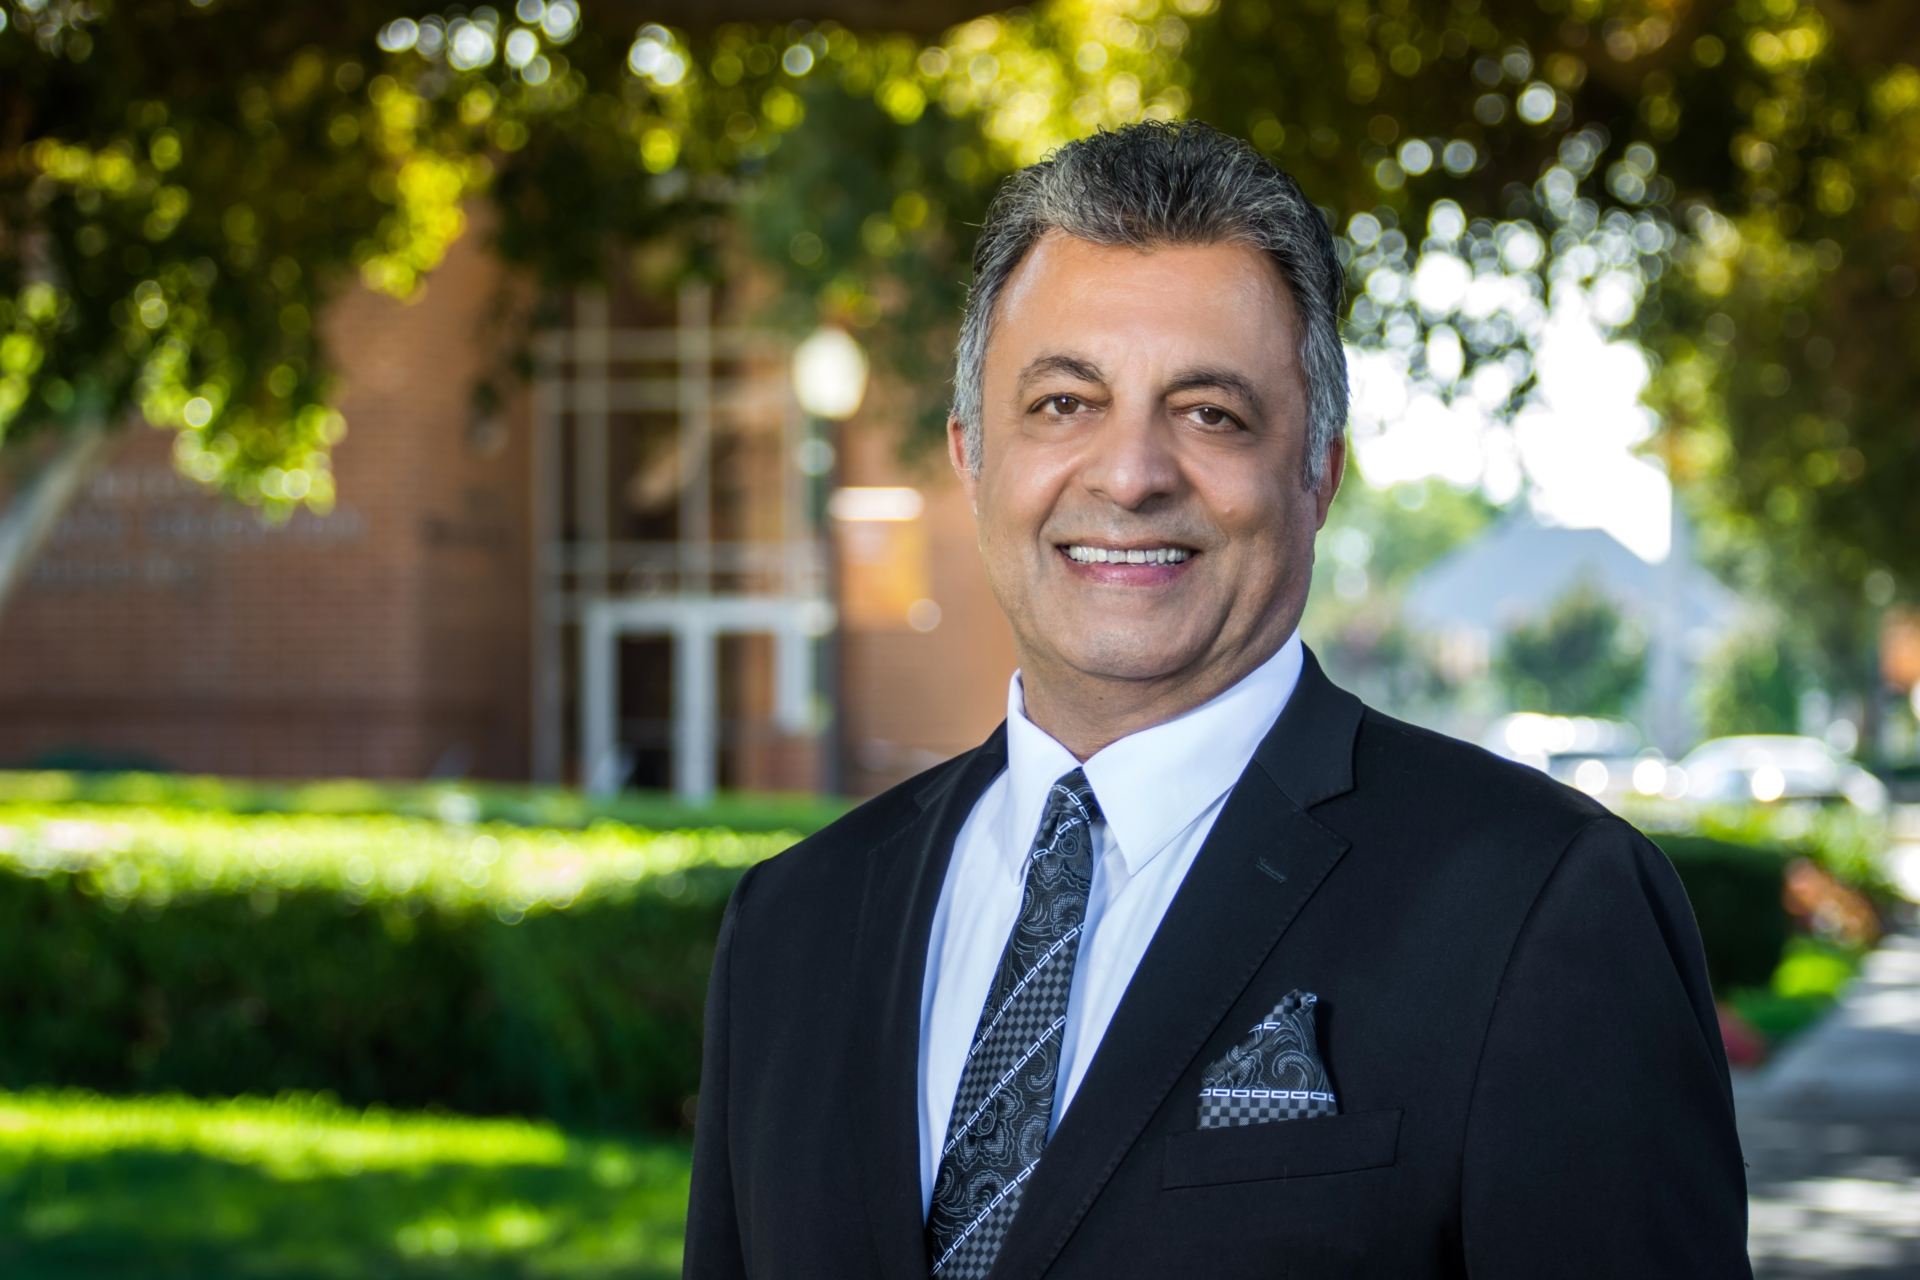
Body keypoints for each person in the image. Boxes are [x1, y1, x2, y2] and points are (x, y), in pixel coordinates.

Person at [683, 120, 1751, 1279]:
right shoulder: (790, 926)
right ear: (969, 457)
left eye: (1211, 413)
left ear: (1320, 473)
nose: (1132, 472)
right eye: (1062, 403)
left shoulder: (1544, 905)